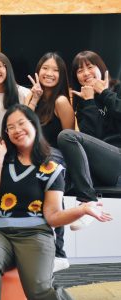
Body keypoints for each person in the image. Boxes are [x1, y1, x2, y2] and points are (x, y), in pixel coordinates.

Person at [0, 104, 112, 300]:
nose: (16, 130)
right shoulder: (1, 160)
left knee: (39, 290)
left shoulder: (51, 168)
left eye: (21, 123)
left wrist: (82, 210)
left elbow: (53, 216)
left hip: (35, 235)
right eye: (10, 127)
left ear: (34, 125)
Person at [58, 50, 121, 230]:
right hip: (103, 165)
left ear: (100, 68)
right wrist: (90, 102)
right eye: (79, 70)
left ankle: (87, 200)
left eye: (90, 67)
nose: (85, 73)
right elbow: (93, 138)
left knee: (66, 135)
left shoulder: (117, 89)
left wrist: (105, 93)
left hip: (118, 160)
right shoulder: (84, 99)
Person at [25, 52, 75, 272]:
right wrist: (34, 99)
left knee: (50, 166)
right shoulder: (33, 97)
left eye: (55, 70)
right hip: (34, 159)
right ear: (38, 70)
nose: (49, 73)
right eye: (46, 68)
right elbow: (20, 126)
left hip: (55, 159)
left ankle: (59, 250)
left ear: (61, 75)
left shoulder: (61, 101)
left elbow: (70, 139)